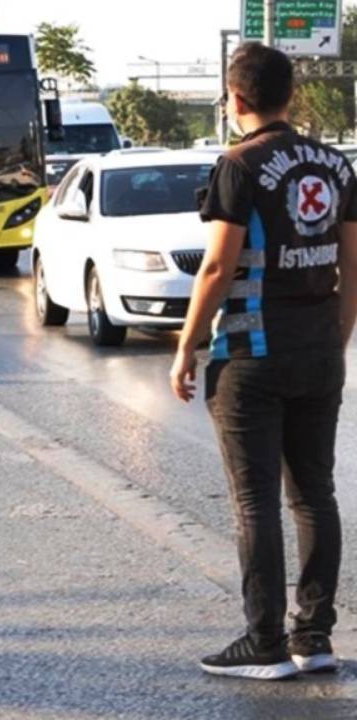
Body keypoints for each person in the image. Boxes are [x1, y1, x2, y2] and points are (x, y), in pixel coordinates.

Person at [170, 43, 357, 681]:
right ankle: (315, 636)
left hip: (251, 354)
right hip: (320, 350)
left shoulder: (239, 163)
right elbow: (351, 262)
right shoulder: (335, 164)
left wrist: (187, 345)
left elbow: (219, 267)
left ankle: (265, 643)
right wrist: (338, 338)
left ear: (237, 99)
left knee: (256, 504)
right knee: (315, 496)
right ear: (291, 94)